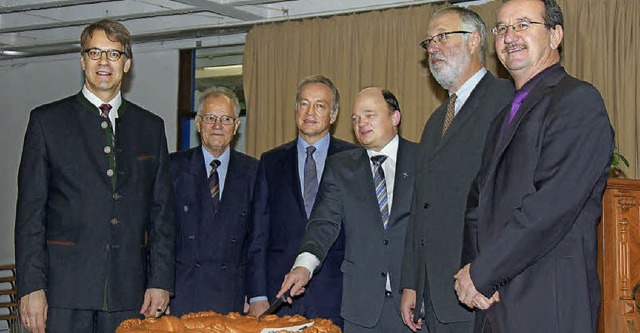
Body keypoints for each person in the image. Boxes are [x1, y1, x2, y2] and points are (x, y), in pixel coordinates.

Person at [453, 0, 614, 332]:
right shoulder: (503, 117)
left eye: (523, 24)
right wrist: (472, 269)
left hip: (546, 300)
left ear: (555, 35)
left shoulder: (578, 101)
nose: (510, 36)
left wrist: (484, 273)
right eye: (502, 28)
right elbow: (478, 201)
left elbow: (551, 205)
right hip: (493, 302)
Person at [15, 19, 175, 333]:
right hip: (62, 293)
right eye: (95, 53)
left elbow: (162, 215)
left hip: (129, 293)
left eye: (113, 54)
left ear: (126, 64)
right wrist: (31, 287)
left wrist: (160, 281)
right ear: (82, 60)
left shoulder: (150, 127)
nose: (104, 62)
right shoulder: (47, 122)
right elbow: (30, 215)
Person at [399, 7, 513, 333]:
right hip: (433, 297)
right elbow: (422, 207)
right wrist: (412, 282)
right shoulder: (435, 122)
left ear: (474, 40)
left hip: (481, 291)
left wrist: (494, 273)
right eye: (429, 41)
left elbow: (511, 198)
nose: (432, 47)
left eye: (442, 37)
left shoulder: (507, 101)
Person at [278, 87, 418, 333]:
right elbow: (324, 223)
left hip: (413, 304)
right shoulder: (341, 167)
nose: (360, 123)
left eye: (369, 115)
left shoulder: (423, 160)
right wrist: (303, 266)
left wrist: (417, 284)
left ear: (395, 118)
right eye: (355, 118)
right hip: (361, 310)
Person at [246, 75, 356, 327]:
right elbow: (258, 235)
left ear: (334, 114)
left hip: (337, 294)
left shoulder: (354, 160)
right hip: (280, 296)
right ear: (296, 109)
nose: (310, 112)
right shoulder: (270, 162)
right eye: (304, 104)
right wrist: (257, 294)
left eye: (320, 105)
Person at [169, 87, 258, 316]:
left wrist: (256, 291)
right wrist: (159, 287)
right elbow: (159, 237)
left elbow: (258, 240)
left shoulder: (255, 172)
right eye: (210, 118)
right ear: (198, 123)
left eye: (226, 119)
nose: (217, 126)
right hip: (181, 294)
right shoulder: (172, 168)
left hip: (232, 296)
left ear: (237, 126)